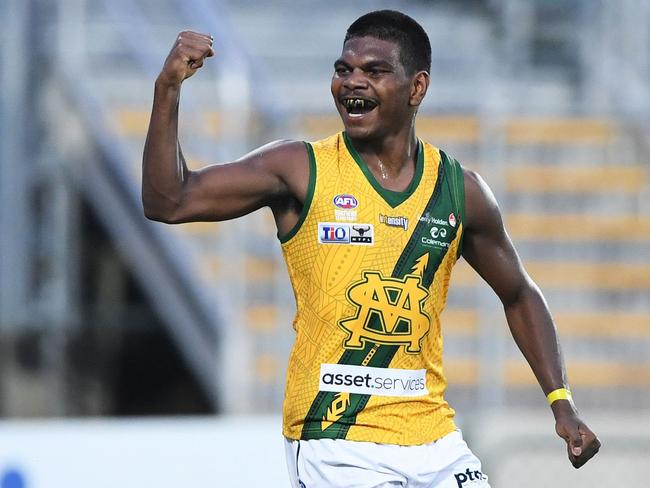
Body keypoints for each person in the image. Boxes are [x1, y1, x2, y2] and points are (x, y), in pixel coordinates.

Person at [142, 10, 600, 487]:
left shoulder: (459, 191)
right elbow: (168, 200)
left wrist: (560, 403)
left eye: (374, 71)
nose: (352, 83)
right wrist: (167, 88)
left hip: (434, 439)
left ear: (416, 88)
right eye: (343, 70)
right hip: (336, 437)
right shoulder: (299, 168)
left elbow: (520, 294)